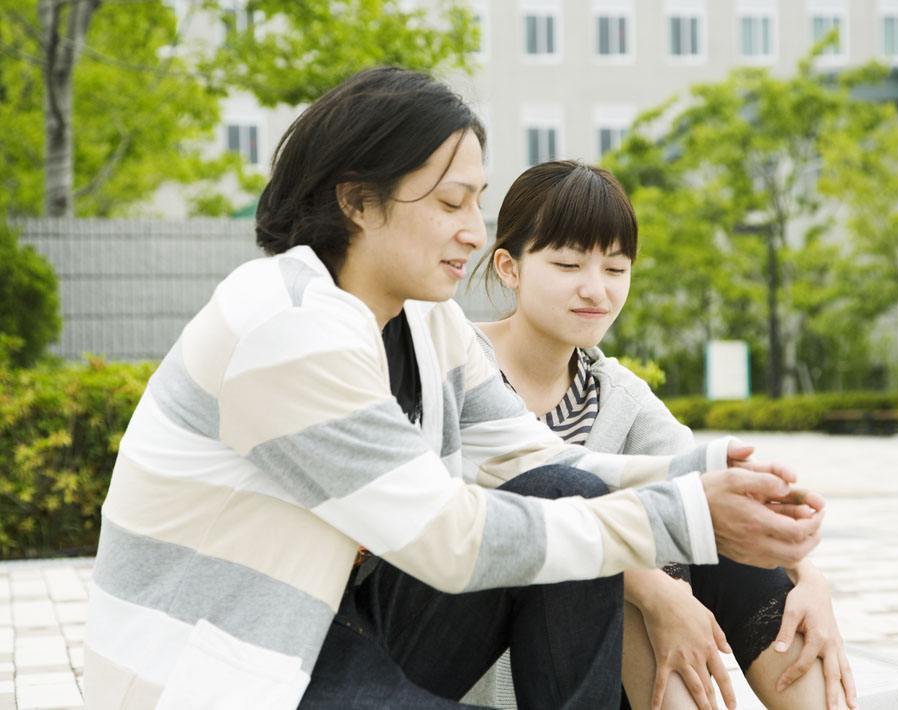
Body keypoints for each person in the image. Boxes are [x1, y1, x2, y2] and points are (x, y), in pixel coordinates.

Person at [83, 69, 824, 709]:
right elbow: (451, 540)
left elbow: (530, 459)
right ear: (358, 202)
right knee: (618, 517)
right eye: (449, 204)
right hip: (230, 676)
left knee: (562, 486)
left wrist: (718, 473)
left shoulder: (429, 323)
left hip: (345, 631)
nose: (476, 231)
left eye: (478, 202)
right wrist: (685, 514)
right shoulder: (286, 327)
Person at [470, 160, 855, 710]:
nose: (594, 290)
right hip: (507, 654)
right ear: (509, 268)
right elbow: (484, 523)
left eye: (615, 269)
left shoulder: (613, 393)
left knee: (711, 537)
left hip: (608, 670)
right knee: (625, 551)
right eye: (567, 264)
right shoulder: (460, 364)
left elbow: (709, 485)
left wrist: (807, 576)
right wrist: (654, 593)